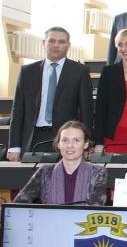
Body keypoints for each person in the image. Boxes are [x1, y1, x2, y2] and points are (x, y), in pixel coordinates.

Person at [8, 27, 93, 160]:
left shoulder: (80, 71)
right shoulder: (27, 71)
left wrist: (86, 144)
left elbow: (86, 111)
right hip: (33, 137)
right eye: (52, 41)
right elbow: (17, 110)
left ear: (68, 45)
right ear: (44, 43)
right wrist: (14, 146)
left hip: (66, 139)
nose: (56, 45)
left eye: (61, 42)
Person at [14, 121, 107, 204]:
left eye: (76, 140)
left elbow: (97, 208)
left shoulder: (98, 172)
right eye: (65, 140)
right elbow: (19, 203)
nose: (70, 145)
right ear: (58, 144)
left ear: (85, 144)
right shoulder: (45, 171)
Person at [93, 29, 127, 156]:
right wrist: (99, 142)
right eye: (120, 45)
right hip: (114, 136)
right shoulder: (109, 72)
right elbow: (100, 109)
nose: (124, 48)